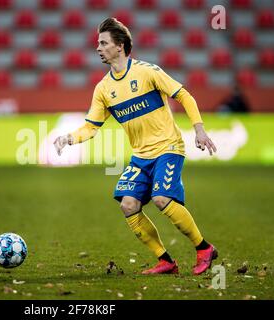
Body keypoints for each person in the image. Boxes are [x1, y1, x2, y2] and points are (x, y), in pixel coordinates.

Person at [54, 18, 218, 275]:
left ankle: (204, 248)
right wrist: (69, 138)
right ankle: (166, 261)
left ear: (119, 46)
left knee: (162, 198)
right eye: (98, 43)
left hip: (168, 147)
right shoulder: (103, 89)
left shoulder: (147, 72)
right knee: (128, 205)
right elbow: (91, 126)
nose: (97, 48)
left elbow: (184, 95)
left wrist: (198, 128)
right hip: (141, 156)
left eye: (103, 43)